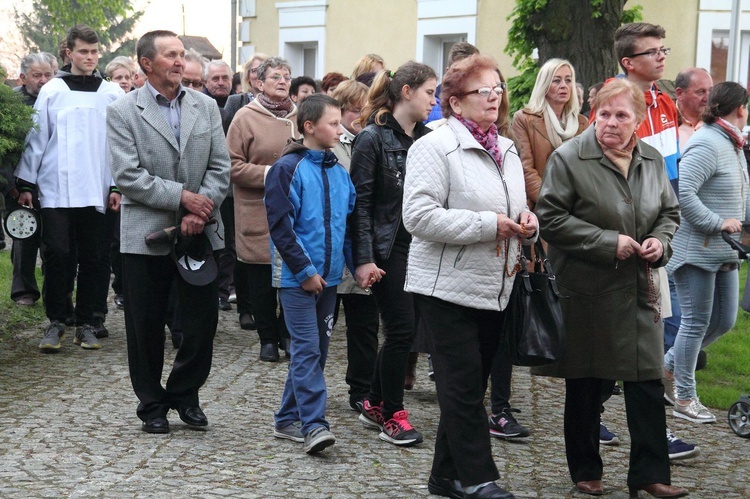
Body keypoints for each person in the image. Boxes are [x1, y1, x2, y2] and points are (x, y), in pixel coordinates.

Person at [534, 78, 687, 498]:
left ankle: (650, 475)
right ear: (593, 115)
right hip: (588, 289)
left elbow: (669, 212)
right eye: (604, 114)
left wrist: (662, 241)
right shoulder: (569, 158)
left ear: (638, 120)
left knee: (646, 383)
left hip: (641, 289)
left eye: (622, 115)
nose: (611, 123)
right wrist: (608, 242)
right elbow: (551, 218)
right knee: (587, 382)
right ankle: (586, 469)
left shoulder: (652, 159)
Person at [404, 53, 531, 499]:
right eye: (483, 91)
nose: (494, 97)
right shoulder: (433, 146)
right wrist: (489, 225)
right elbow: (417, 218)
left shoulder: (508, 148)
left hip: (497, 285)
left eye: (498, 89)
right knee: (460, 389)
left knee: (470, 388)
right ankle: (480, 478)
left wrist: (524, 219)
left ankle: (445, 476)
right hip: (444, 288)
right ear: (456, 104)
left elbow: (511, 205)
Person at [106, 30, 230, 434]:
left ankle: (185, 394)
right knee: (145, 326)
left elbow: (220, 167)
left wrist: (200, 207)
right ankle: (152, 404)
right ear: (146, 63)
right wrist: (183, 199)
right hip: (146, 235)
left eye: (181, 54)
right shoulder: (124, 110)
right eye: (171, 55)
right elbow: (128, 176)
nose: (180, 61)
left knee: (200, 322)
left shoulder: (206, 106)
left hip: (200, 230)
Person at [601, 22, 698, 460]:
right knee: (624, 334)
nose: (662, 57)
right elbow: (609, 171)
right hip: (626, 236)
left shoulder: (663, 100)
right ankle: (592, 410)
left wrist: (669, 226)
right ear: (628, 62)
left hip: (659, 231)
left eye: (664, 48)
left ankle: (649, 427)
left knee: (661, 327)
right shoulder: (613, 101)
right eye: (652, 51)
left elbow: (667, 176)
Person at [16, 25, 124, 352]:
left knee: (95, 257)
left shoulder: (111, 93)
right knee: (58, 254)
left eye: (94, 52)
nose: (89, 58)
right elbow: (37, 139)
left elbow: (119, 144)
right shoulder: (53, 91)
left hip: (98, 185)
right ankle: (58, 320)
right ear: (69, 53)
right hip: (55, 187)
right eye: (83, 52)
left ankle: (89, 321)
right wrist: (26, 182)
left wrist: (117, 184)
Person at [350, 61, 436, 447]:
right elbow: (361, 205)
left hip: (422, 246)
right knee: (401, 329)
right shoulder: (372, 139)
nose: (433, 101)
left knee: (407, 328)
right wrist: (364, 258)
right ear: (406, 92)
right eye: (429, 92)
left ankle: (373, 399)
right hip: (388, 248)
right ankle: (392, 414)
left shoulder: (428, 138)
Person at [266, 94, 356, 454]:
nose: (340, 129)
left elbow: (349, 223)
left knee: (316, 351)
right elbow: (281, 227)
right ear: (309, 127)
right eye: (333, 123)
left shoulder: (338, 170)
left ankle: (286, 418)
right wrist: (304, 271)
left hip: (330, 280)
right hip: (296, 280)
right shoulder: (286, 170)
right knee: (305, 349)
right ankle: (314, 425)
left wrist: (357, 265)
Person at [664, 82, 750, 425]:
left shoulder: (731, 142)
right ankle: (684, 397)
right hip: (695, 251)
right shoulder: (707, 142)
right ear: (740, 108)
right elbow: (683, 194)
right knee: (696, 323)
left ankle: (668, 366)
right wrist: (717, 222)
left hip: (723, 251)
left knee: (724, 320)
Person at [227, 56, 298, 361]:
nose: (282, 82)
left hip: (296, 209)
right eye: (275, 77)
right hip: (258, 208)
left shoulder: (301, 115)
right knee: (261, 276)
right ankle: (267, 338)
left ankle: (287, 333)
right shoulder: (245, 118)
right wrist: (270, 173)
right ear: (259, 82)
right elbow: (230, 166)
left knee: (295, 274)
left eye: (287, 77)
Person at [330, 79, 380, 411]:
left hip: (362, 246)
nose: (362, 115)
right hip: (334, 248)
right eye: (356, 109)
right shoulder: (330, 145)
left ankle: (360, 389)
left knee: (364, 326)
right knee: (322, 325)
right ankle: (305, 390)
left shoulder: (369, 141)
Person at [5, 53, 53, 307]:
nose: (44, 80)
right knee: (23, 236)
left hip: (52, 181)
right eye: (37, 75)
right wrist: (10, 186)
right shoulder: (12, 104)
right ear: (23, 78)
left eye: (48, 75)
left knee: (54, 238)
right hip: (18, 184)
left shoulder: (58, 100)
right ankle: (24, 290)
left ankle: (55, 286)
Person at [512, 58, 588, 213]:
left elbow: (588, 169)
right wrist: (551, 202)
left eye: (568, 80)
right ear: (544, 84)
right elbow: (526, 170)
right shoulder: (524, 119)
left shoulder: (582, 123)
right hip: (542, 206)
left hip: (577, 207)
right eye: (556, 81)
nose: (563, 86)